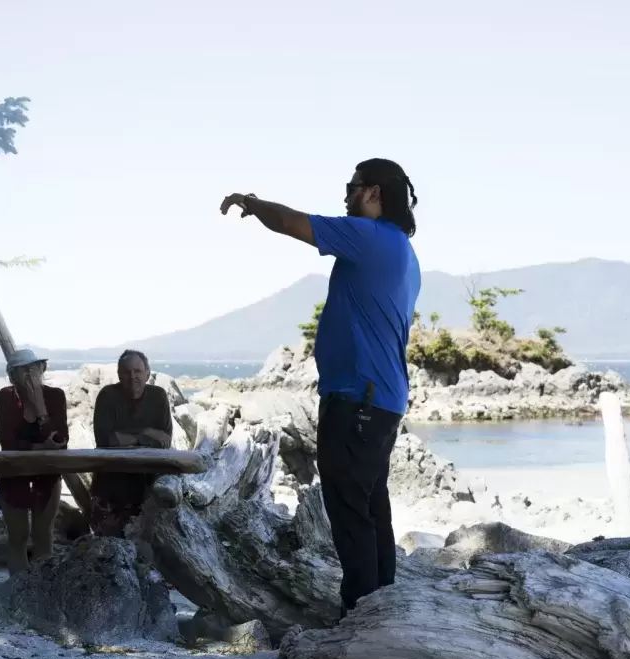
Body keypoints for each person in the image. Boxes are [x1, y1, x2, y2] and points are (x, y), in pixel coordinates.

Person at [220, 158, 421, 618]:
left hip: (358, 400)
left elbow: (293, 223)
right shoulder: (404, 253)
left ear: (373, 194)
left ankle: (360, 616)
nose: (346, 196)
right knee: (371, 508)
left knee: (351, 512)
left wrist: (250, 203)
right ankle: (380, 610)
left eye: (352, 188)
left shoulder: (368, 237)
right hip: (381, 399)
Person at [0, 348, 68, 573]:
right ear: (12, 376)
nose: (30, 375)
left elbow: (61, 440)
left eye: (34, 369)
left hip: (47, 473)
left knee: (43, 534)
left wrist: (41, 410)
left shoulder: (55, 396)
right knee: (18, 536)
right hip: (13, 472)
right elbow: (7, 440)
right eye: (23, 371)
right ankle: (18, 588)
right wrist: (39, 446)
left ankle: (43, 590)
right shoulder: (6, 397)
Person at [90, 349, 174, 537]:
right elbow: (106, 441)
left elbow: (165, 441)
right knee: (109, 546)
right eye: (126, 372)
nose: (132, 376)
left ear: (147, 373)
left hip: (147, 484)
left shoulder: (158, 396)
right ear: (119, 375)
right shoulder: (107, 396)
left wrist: (125, 437)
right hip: (110, 485)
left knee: (147, 545)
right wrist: (146, 433)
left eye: (137, 371)